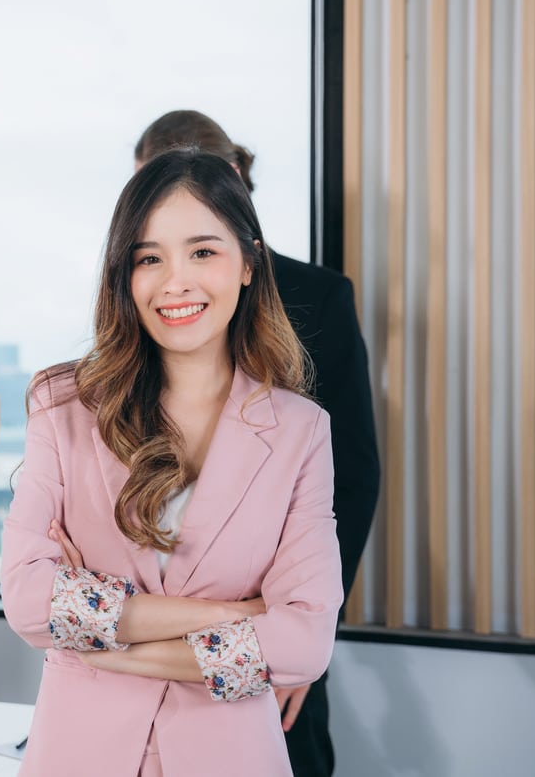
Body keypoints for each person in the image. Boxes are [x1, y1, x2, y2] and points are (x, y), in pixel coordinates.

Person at [1, 148, 342, 776]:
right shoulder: (62, 404)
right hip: (78, 754)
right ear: (123, 275)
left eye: (203, 252)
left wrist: (105, 640)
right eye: (149, 258)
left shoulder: (301, 431)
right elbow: (28, 601)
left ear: (249, 263)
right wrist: (239, 618)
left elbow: (304, 644)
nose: (175, 282)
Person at [135, 110, 380, 776]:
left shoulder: (316, 297)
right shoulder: (139, 298)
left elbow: (353, 477)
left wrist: (306, 626)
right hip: (154, 608)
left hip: (275, 604)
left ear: (234, 180)